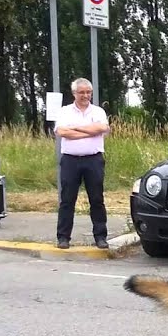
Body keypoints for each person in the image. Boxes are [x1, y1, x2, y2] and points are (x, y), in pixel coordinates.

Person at [54, 78, 110, 249]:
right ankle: (63, 237)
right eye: (82, 92)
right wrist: (89, 130)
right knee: (67, 200)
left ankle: (100, 237)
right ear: (74, 94)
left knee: (97, 199)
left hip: (93, 160)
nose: (86, 95)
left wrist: (76, 128)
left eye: (88, 92)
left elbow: (102, 129)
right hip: (70, 160)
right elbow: (62, 132)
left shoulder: (98, 111)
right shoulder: (64, 111)